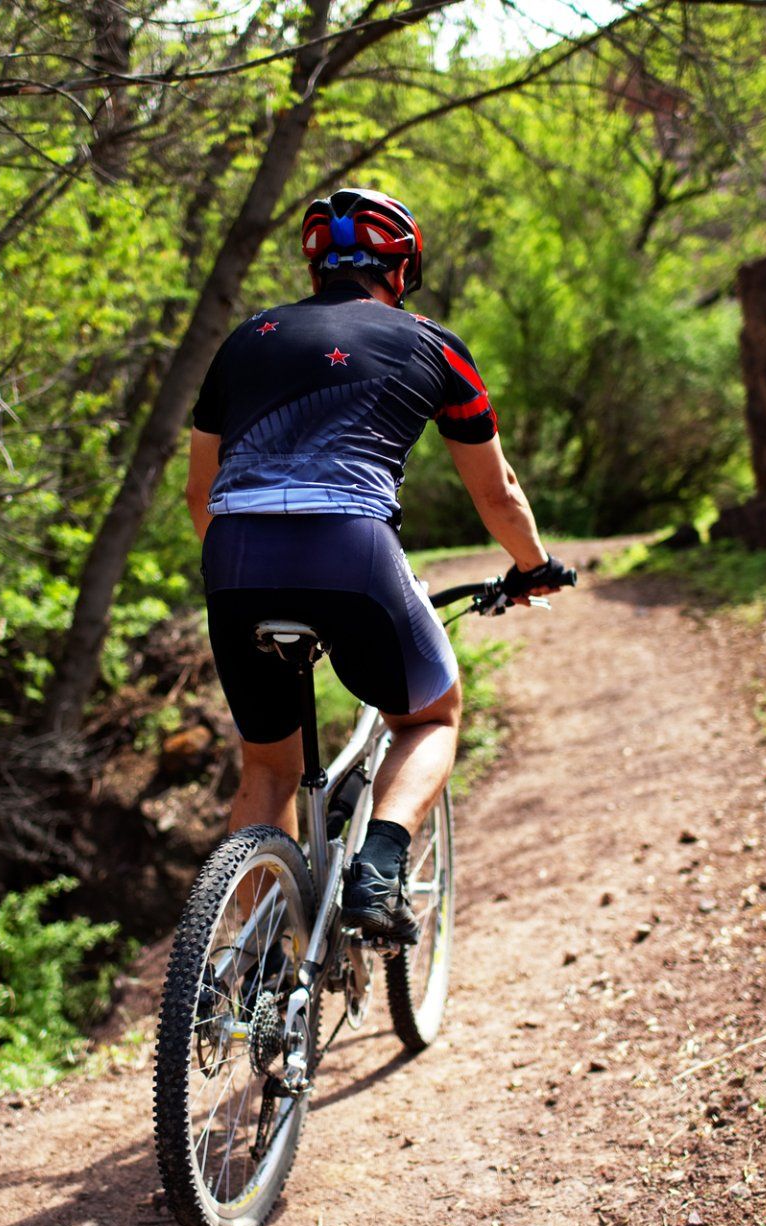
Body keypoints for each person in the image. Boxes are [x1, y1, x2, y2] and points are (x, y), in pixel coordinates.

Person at [184, 187, 574, 943]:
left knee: (268, 765)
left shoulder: (245, 339)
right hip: (349, 550)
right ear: (401, 268)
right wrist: (534, 565)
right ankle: (376, 872)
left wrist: (250, 569)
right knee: (431, 715)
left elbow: (201, 495)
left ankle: (253, 968)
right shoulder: (432, 343)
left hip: (233, 559)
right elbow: (497, 493)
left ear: (315, 262)